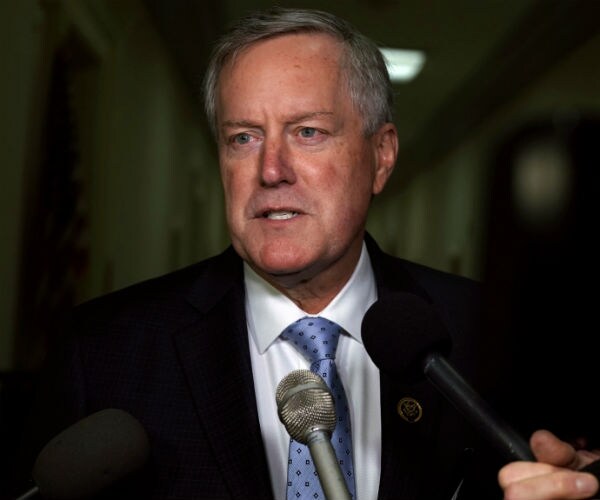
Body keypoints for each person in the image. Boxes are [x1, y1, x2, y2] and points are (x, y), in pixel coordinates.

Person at [10, 6, 600, 500]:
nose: (270, 170)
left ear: (382, 155)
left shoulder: (488, 335)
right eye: (243, 137)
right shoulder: (104, 353)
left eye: (308, 132)